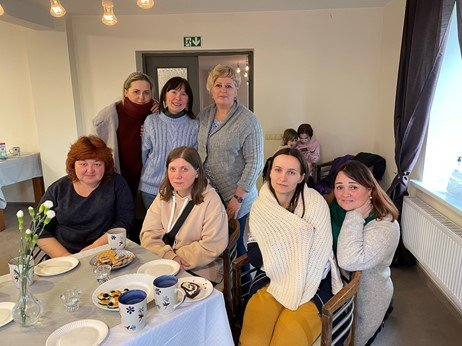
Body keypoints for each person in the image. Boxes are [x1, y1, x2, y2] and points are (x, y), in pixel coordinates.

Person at [239, 148, 342, 345]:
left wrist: (276, 241)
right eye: (278, 170)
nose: (283, 177)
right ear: (270, 172)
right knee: (254, 340)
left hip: (312, 283)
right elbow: (255, 257)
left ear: (302, 177)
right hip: (272, 278)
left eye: (291, 172)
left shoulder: (315, 204)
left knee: (287, 338)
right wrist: (296, 239)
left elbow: (317, 256)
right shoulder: (261, 206)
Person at [197, 64, 263, 259]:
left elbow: (255, 163)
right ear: (211, 89)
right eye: (218, 85)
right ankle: (222, 281)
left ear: (236, 90)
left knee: (238, 247)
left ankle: (243, 287)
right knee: (215, 243)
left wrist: (237, 199)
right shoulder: (204, 115)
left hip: (237, 196)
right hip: (210, 193)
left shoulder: (248, 121)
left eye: (229, 86)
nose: (223, 90)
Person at [330, 160, 400, 346]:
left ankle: (383, 314)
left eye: (353, 186)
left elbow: (348, 260)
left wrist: (354, 216)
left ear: (370, 189)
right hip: (341, 287)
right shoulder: (336, 209)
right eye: (339, 187)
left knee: (354, 340)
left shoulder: (385, 225)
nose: (345, 194)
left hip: (369, 297)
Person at [140, 147, 228, 283]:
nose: (177, 176)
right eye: (172, 169)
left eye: (184, 169)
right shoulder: (164, 194)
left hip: (199, 269)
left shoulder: (211, 200)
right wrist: (168, 255)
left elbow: (211, 245)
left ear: (197, 172)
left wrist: (174, 258)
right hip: (164, 261)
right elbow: (148, 233)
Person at [37, 136, 134, 257]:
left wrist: (90, 251)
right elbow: (39, 230)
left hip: (105, 251)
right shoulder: (58, 189)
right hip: (63, 255)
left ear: (106, 165)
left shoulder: (117, 184)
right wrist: (68, 259)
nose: (90, 170)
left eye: (97, 164)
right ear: (73, 165)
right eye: (83, 164)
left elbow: (124, 222)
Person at [92, 72, 156, 199]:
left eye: (146, 92)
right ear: (126, 92)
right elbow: (93, 149)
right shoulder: (109, 116)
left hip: (147, 178)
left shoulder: (156, 112)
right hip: (118, 175)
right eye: (136, 92)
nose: (141, 97)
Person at [140, 77, 199, 210]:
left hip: (183, 190)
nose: (178, 97)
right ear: (164, 95)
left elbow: (195, 160)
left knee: (180, 230)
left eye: (183, 94)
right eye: (173, 92)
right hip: (151, 189)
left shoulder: (195, 125)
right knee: (155, 229)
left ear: (188, 99)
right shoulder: (151, 121)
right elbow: (143, 154)